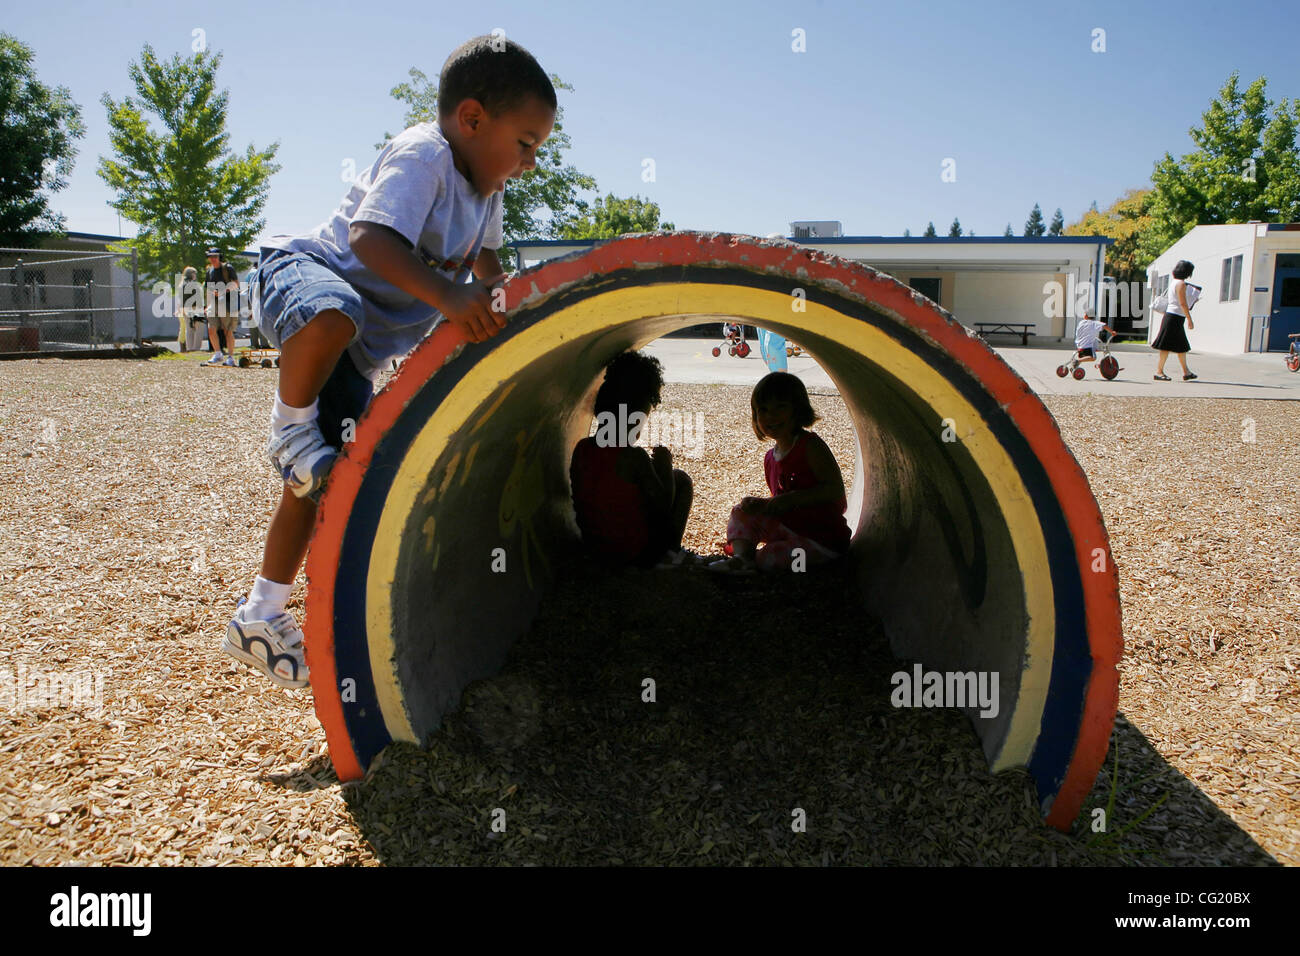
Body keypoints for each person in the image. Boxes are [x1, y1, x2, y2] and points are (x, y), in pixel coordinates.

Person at [221, 36, 557, 687]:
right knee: (337, 312)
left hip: (352, 357)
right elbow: (369, 240)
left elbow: (488, 270)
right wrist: (450, 296)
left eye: (538, 148)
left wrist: (506, 305)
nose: (530, 162)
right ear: (472, 119)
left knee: (325, 484)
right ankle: (288, 426)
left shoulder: (488, 196)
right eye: (525, 143)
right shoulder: (425, 156)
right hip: (303, 279)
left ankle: (260, 614)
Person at [709, 372, 851, 573]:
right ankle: (743, 559)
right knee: (741, 512)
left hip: (822, 539)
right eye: (763, 410)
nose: (770, 416)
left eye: (780, 407)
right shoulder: (770, 457)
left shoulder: (810, 446)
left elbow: (835, 490)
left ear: (797, 410)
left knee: (775, 559)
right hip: (791, 528)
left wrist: (792, 499)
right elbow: (780, 501)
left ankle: (811, 570)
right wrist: (764, 504)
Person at [569, 351, 695, 569]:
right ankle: (669, 553)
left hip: (595, 548)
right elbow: (663, 505)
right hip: (635, 554)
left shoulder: (582, 448)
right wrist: (664, 464)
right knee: (681, 480)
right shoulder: (634, 457)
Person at [1152, 259, 1198, 381]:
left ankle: (1186, 372)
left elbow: (1178, 301)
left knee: (1181, 346)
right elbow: (1183, 303)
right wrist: (1190, 319)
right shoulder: (1181, 284)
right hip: (1175, 317)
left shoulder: (1174, 282)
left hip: (1172, 316)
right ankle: (1159, 371)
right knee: (1166, 346)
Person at [204, 247, 242, 366]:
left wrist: (223, 291)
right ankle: (218, 353)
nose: (213, 259)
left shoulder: (228, 268)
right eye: (211, 256)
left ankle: (230, 357)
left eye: (215, 256)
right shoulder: (209, 271)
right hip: (214, 304)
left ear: (220, 257)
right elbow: (209, 289)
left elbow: (236, 284)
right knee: (211, 329)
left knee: (227, 331)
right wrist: (208, 305)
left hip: (228, 303)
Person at [175, 266, 203, 352]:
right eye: (194, 273)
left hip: (185, 308)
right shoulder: (193, 284)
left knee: (189, 328)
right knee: (199, 328)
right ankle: (196, 347)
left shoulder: (181, 284)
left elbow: (181, 298)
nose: (195, 275)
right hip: (195, 307)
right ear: (191, 274)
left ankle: (190, 347)